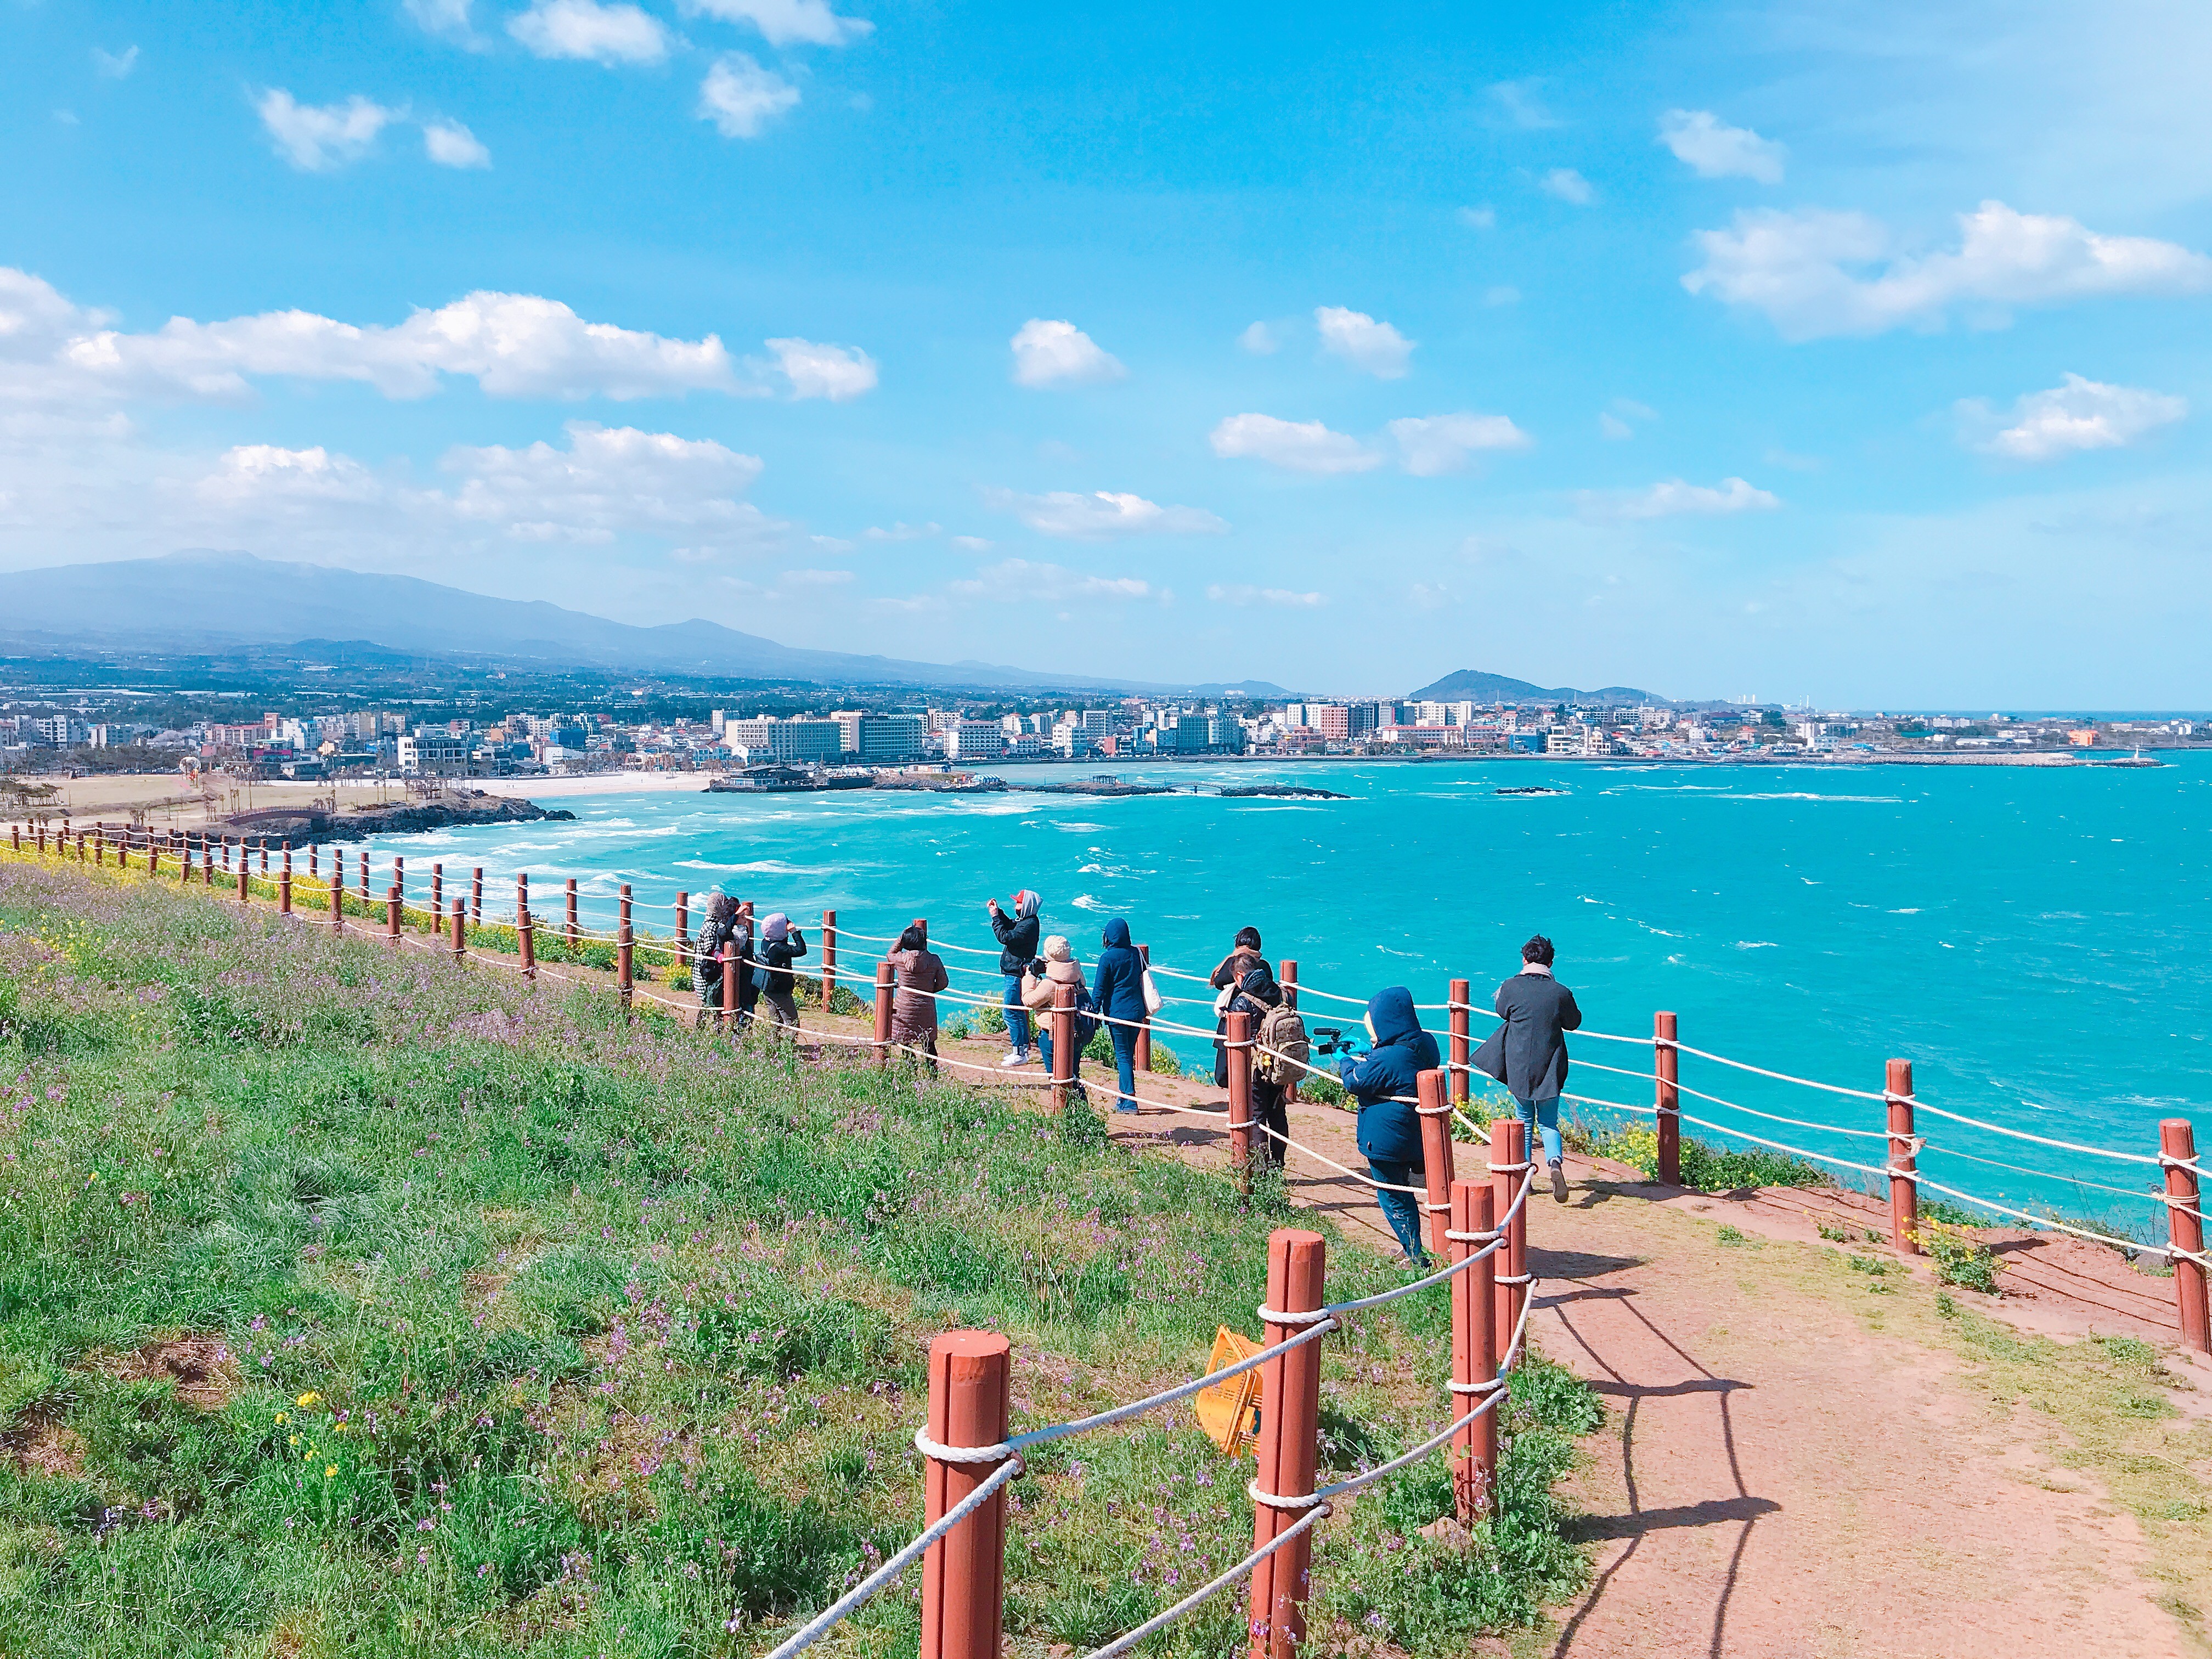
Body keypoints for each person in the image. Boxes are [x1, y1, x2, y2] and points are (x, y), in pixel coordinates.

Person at [1477, 934, 1583, 1204]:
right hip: (1550, 1066)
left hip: (1520, 1065)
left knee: (1524, 1122)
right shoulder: (1561, 992)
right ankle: (1555, 1164)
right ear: (1551, 961)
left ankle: (1525, 1178)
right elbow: (1574, 1022)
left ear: (1525, 959)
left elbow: (1502, 1011)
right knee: (1549, 1123)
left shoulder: (1511, 986)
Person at [1338, 986, 1438, 1265]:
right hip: (1414, 1135)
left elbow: (1355, 1081)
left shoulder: (1387, 1058)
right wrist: (1371, 1048)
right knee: (1403, 1190)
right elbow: (1394, 1065)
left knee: (1392, 1195)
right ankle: (1411, 1246)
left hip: (1387, 1139)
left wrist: (1345, 1060)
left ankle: (1415, 1255)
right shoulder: (1426, 1044)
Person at [1223, 964, 1291, 1169]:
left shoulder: (1242, 1002)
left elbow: (1233, 1035)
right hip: (1280, 1065)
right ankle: (1278, 1164)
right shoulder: (1283, 994)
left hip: (1256, 1068)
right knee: (1278, 1113)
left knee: (1258, 1116)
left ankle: (1260, 1168)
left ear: (1241, 976)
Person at [1090, 917, 1148, 1114]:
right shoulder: (1136, 953)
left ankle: (1130, 1101)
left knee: (1123, 1057)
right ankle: (1123, 1099)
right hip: (1137, 1012)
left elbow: (1099, 990)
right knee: (1127, 1056)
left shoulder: (1107, 959)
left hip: (1117, 1015)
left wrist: (1093, 1014)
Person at [1022, 935, 1087, 1095]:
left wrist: (1030, 977)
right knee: (1073, 1074)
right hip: (1076, 1032)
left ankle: (1064, 1111)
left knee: (1057, 1078)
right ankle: (1082, 1111)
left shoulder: (1050, 984)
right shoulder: (1077, 975)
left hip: (1052, 1035)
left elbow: (1029, 1000)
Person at [988, 889, 1042, 1068]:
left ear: (1026, 905)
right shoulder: (1026, 922)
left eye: (1019, 903)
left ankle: (1019, 1052)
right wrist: (999, 913)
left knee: (1011, 1012)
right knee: (1016, 1012)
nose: (1016, 907)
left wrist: (996, 918)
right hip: (1015, 971)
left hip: (1016, 974)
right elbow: (1011, 925)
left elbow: (1005, 936)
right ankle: (1021, 1050)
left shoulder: (1029, 925)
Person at [1211, 926, 1272, 1086]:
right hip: (1260, 1025)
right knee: (1254, 1070)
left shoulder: (1234, 962)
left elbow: (1218, 982)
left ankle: (1238, 1100)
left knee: (1223, 1074)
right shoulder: (1264, 966)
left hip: (1232, 1021)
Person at [886, 923, 949, 1073]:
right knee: (929, 1044)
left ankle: (911, 1072)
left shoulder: (900, 959)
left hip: (904, 1009)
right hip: (926, 1008)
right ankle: (932, 1075)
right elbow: (944, 982)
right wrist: (929, 990)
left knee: (906, 1043)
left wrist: (902, 938)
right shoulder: (934, 960)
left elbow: (889, 954)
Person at [755, 911, 808, 1035]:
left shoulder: (766, 942)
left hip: (769, 988)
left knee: (775, 1021)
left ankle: (773, 1047)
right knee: (792, 1022)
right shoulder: (779, 948)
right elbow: (801, 950)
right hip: (780, 991)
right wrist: (794, 932)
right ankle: (788, 1048)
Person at [691, 890, 737, 1028]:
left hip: (701, 971)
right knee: (713, 1001)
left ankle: (703, 1028)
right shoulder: (712, 926)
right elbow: (710, 949)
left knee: (709, 1002)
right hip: (706, 974)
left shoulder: (708, 922)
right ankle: (714, 1029)